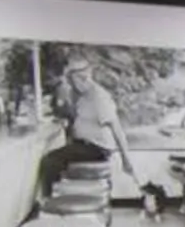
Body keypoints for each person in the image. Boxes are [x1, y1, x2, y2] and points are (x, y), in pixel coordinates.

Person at [43, 61, 126, 200]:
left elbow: (116, 128)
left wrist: (126, 160)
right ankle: (63, 197)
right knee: (60, 158)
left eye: (72, 82)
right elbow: (75, 116)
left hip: (97, 148)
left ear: (84, 78)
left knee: (50, 160)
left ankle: (49, 201)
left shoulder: (99, 96)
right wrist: (61, 103)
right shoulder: (83, 95)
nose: (71, 86)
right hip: (85, 145)